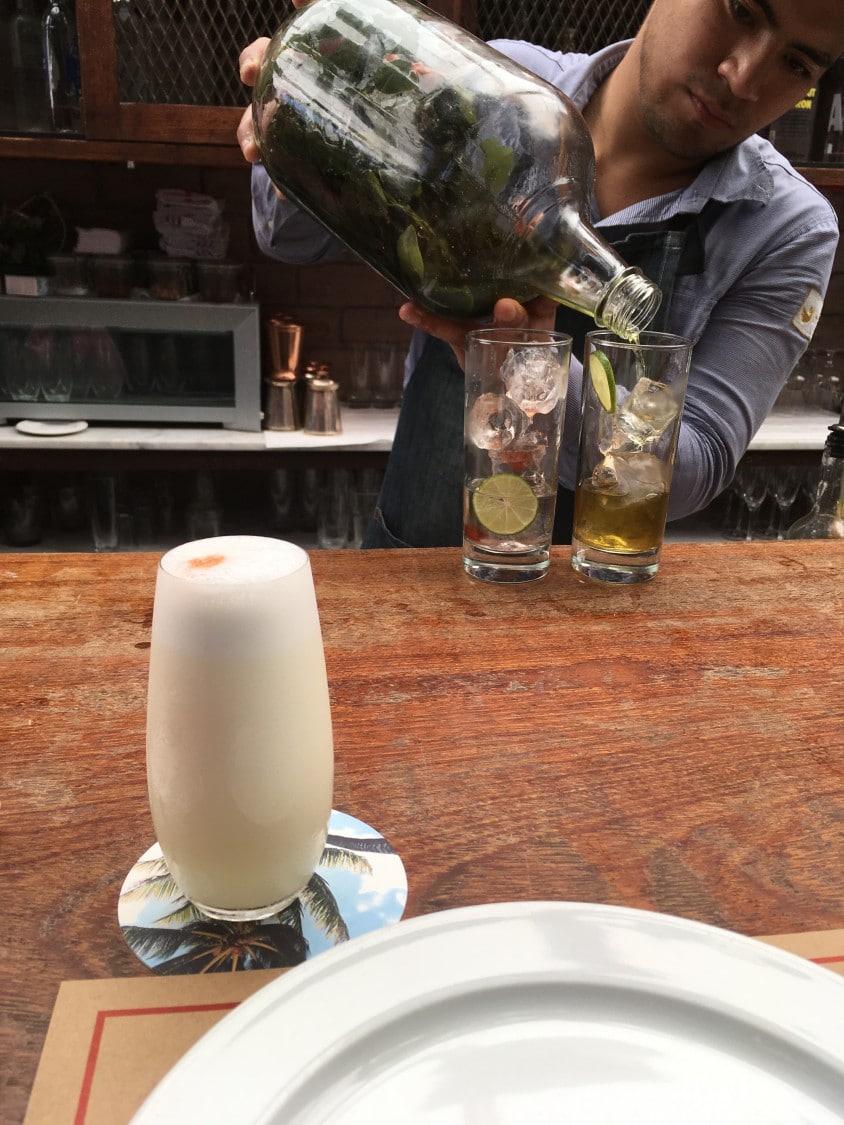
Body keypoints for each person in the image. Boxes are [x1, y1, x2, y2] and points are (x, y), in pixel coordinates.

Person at [237, 0, 843, 548]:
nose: (743, 76)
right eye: (741, 10)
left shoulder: (786, 225)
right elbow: (285, 240)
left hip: (587, 610)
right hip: (406, 565)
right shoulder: (498, 86)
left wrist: (537, 371)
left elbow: (697, 463)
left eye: (796, 63)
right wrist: (297, 125)